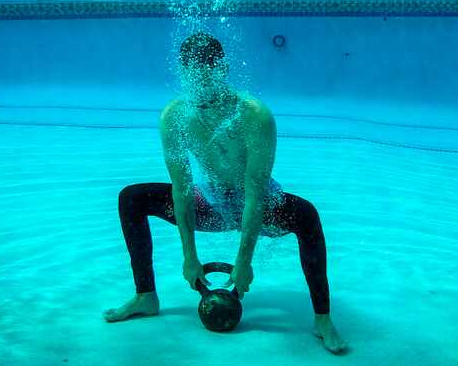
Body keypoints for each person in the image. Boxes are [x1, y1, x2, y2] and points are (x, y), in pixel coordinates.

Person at [102, 32, 347, 354]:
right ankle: (145, 296)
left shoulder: (254, 115)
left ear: (224, 69)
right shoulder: (174, 116)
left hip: (259, 205)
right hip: (210, 204)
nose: (201, 86)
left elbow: (256, 193)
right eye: (193, 76)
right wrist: (190, 257)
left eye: (208, 74)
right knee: (132, 197)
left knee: (307, 216)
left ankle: (323, 319)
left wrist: (243, 262)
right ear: (183, 73)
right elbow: (182, 188)